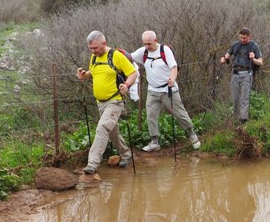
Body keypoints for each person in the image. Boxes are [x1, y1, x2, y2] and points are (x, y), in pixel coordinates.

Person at [77, 31, 137, 174]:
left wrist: (126, 85)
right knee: (112, 132)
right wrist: (84, 75)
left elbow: (133, 72)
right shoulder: (94, 57)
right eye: (90, 48)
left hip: (115, 101)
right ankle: (126, 154)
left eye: (95, 48)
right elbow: (94, 72)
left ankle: (92, 163)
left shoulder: (116, 56)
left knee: (103, 127)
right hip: (100, 102)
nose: (93, 51)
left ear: (104, 43)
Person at [130, 30, 200, 152]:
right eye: (145, 44)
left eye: (149, 44)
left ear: (155, 40)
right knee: (151, 115)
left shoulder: (165, 50)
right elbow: (128, 57)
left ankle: (192, 135)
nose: (147, 46)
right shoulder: (143, 52)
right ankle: (154, 141)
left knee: (179, 113)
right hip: (152, 90)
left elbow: (173, 67)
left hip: (168, 90)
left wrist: (172, 79)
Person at [220, 27, 263, 123]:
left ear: (249, 37)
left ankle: (243, 120)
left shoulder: (254, 46)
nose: (242, 40)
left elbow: (260, 62)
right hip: (235, 74)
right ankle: (235, 119)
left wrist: (253, 59)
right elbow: (227, 55)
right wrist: (223, 58)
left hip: (246, 74)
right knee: (235, 98)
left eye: (244, 38)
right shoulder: (235, 45)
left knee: (244, 98)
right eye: (241, 38)